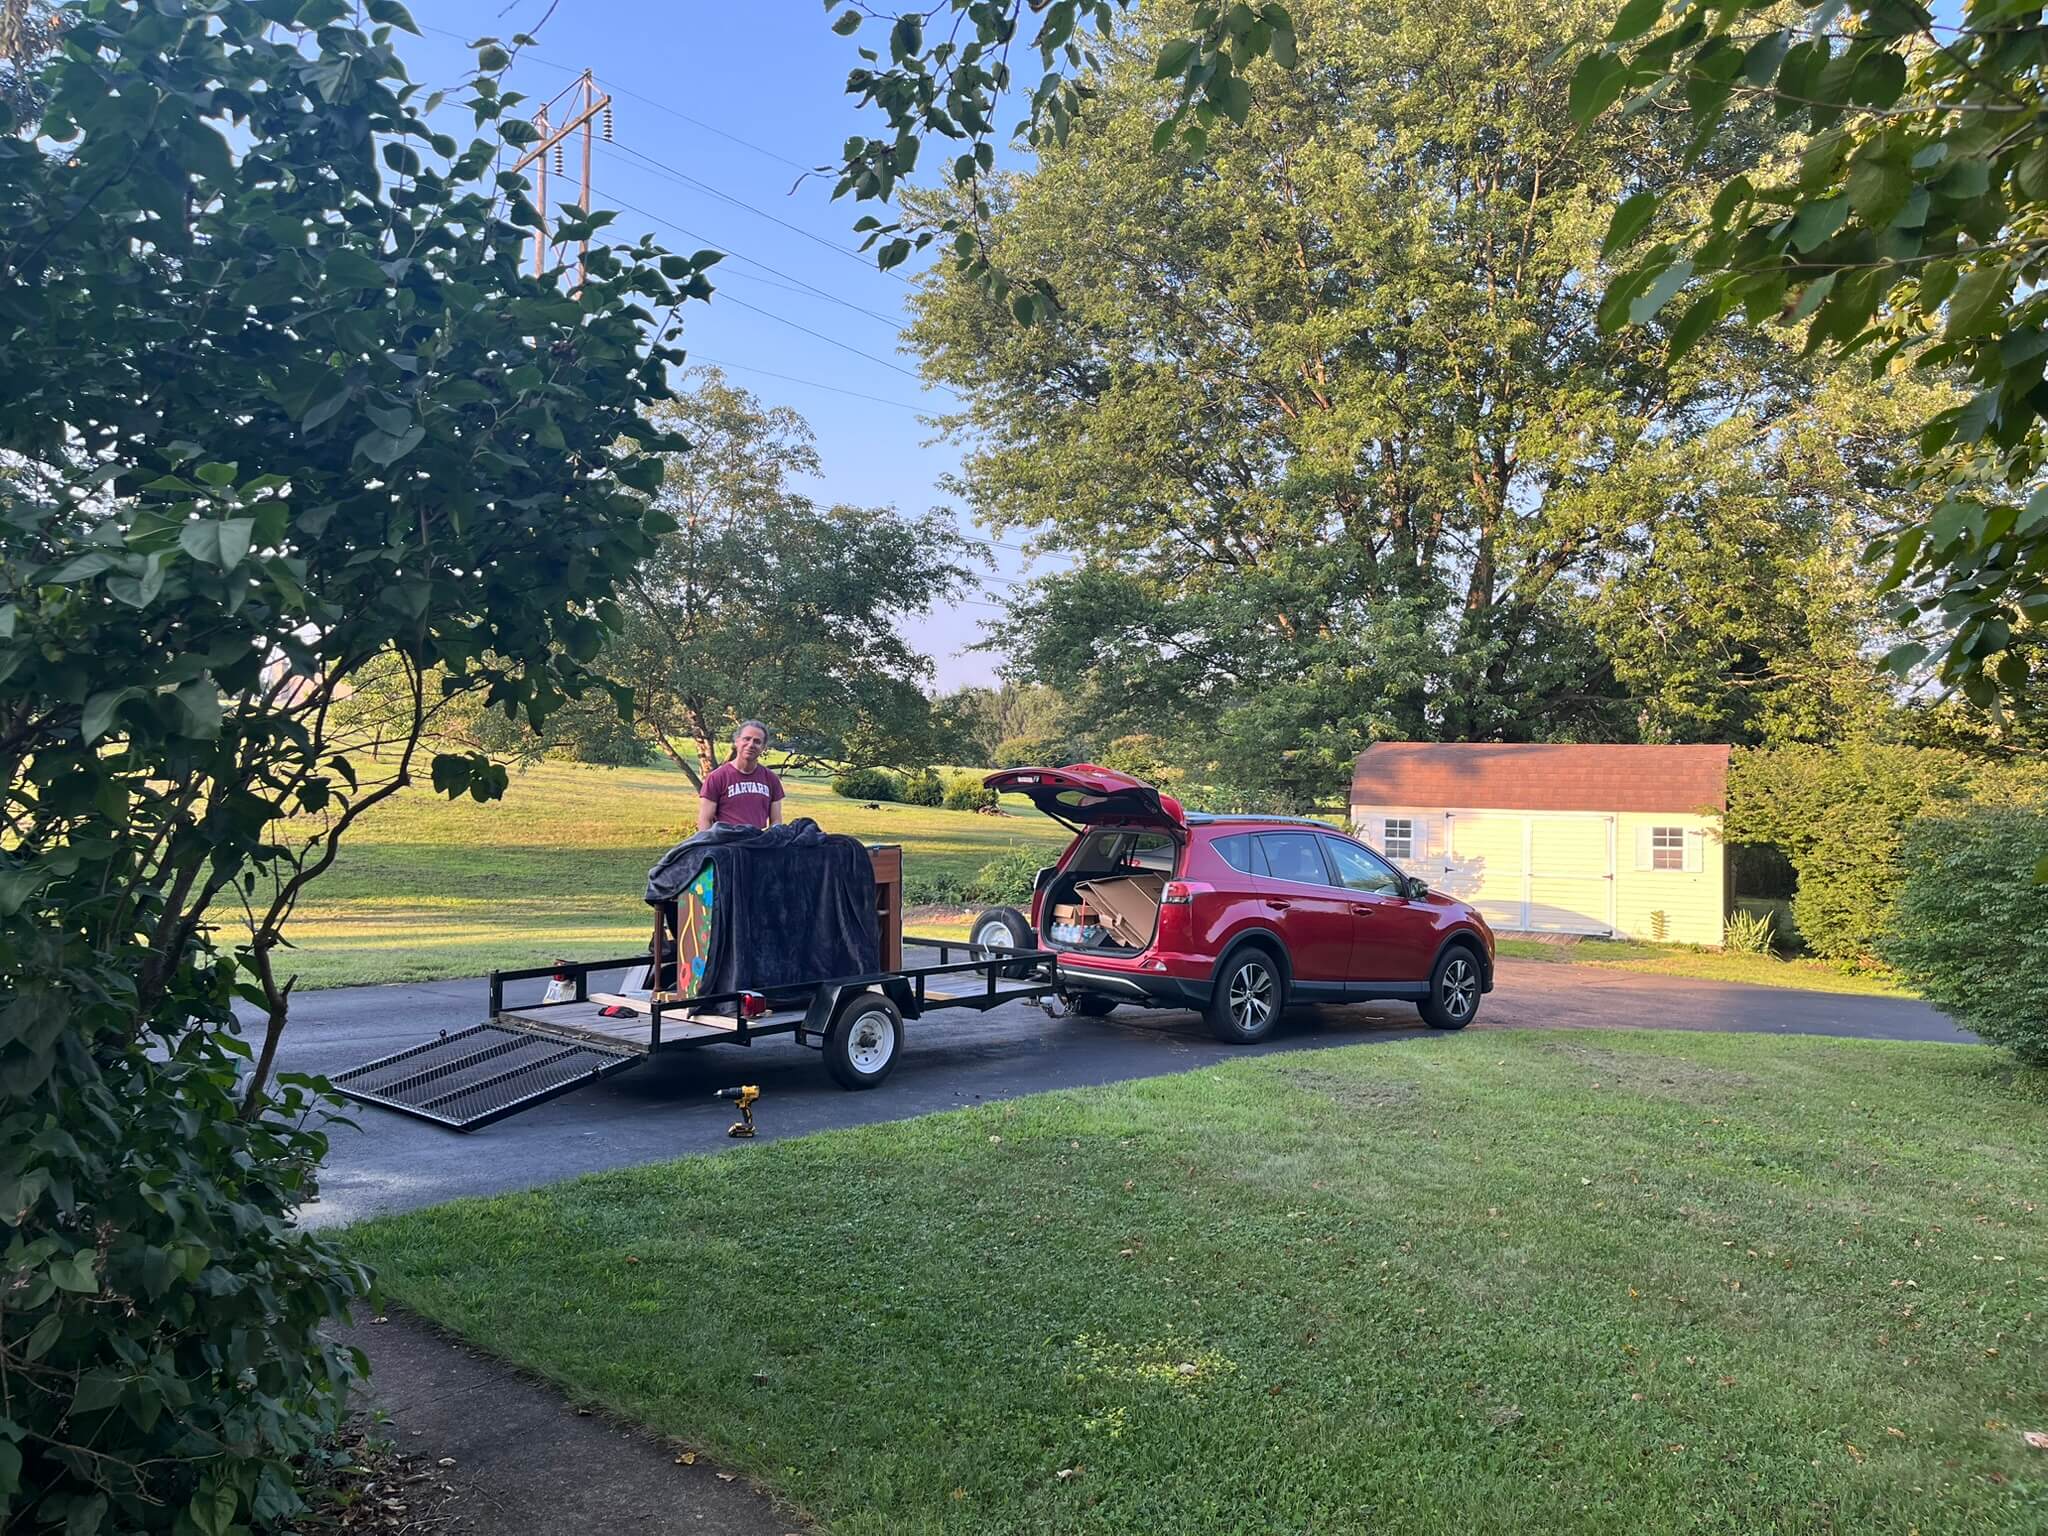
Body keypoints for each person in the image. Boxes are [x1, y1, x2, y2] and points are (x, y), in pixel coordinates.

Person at [697, 720, 784, 831]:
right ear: (736, 741)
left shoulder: (771, 779)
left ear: (763, 747)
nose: (751, 745)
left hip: (757, 839)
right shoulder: (717, 777)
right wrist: (707, 841)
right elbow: (705, 820)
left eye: (757, 742)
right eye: (746, 739)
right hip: (725, 839)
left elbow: (776, 821)